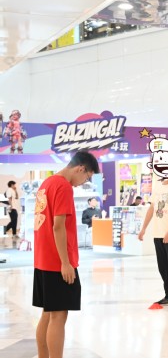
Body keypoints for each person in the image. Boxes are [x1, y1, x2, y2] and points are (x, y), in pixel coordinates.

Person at [33, 151, 99, 358]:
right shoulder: (63, 186)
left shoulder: (47, 183)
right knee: (59, 316)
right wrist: (65, 263)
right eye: (87, 177)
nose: (83, 182)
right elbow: (58, 226)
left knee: (48, 314)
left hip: (43, 259)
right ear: (81, 169)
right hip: (57, 262)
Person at [138, 138, 168, 312]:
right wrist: (143, 229)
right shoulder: (157, 187)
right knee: (163, 267)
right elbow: (152, 208)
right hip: (158, 234)